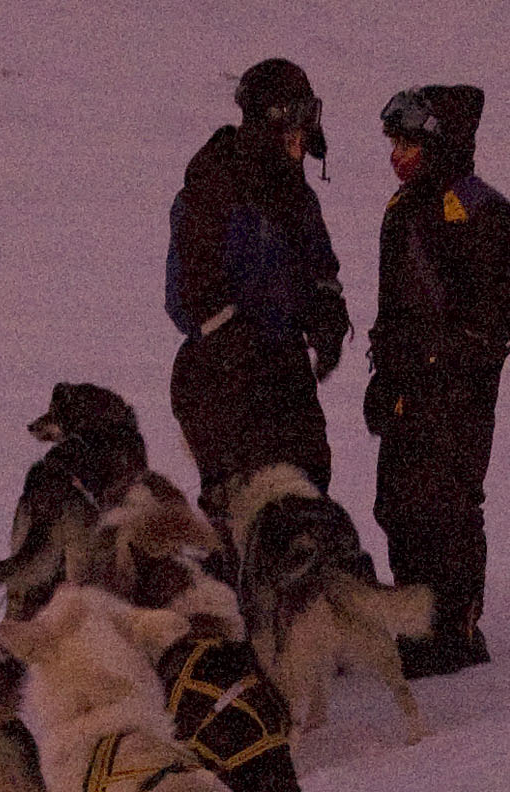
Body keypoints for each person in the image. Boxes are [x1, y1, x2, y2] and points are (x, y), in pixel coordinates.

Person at [364, 84, 510, 676]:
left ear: (438, 143)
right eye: (394, 143)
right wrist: (383, 374)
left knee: (449, 504)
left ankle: (456, 627)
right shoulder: (400, 210)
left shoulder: (484, 211)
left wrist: (447, 366)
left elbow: (492, 316)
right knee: (398, 503)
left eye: (407, 142)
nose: (396, 155)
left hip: (458, 392)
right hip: (408, 384)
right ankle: (416, 623)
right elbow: (389, 306)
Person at [166, 58, 353, 521]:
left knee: (307, 487)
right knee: (241, 501)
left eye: (306, 123)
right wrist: (231, 334)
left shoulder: (296, 193)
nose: (302, 137)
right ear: (269, 121)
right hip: (219, 369)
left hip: (282, 363)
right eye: (293, 122)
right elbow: (187, 291)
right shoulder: (215, 184)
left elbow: (319, 268)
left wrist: (327, 315)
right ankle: (235, 583)